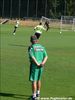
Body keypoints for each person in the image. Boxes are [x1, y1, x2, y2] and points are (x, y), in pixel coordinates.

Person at [28, 35, 48, 100]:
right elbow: (46, 56)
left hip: (35, 66)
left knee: (34, 80)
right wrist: (43, 63)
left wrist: (37, 64)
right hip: (41, 66)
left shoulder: (31, 47)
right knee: (39, 79)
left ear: (31, 41)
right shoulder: (42, 47)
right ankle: (38, 93)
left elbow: (32, 57)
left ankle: (34, 96)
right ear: (37, 40)